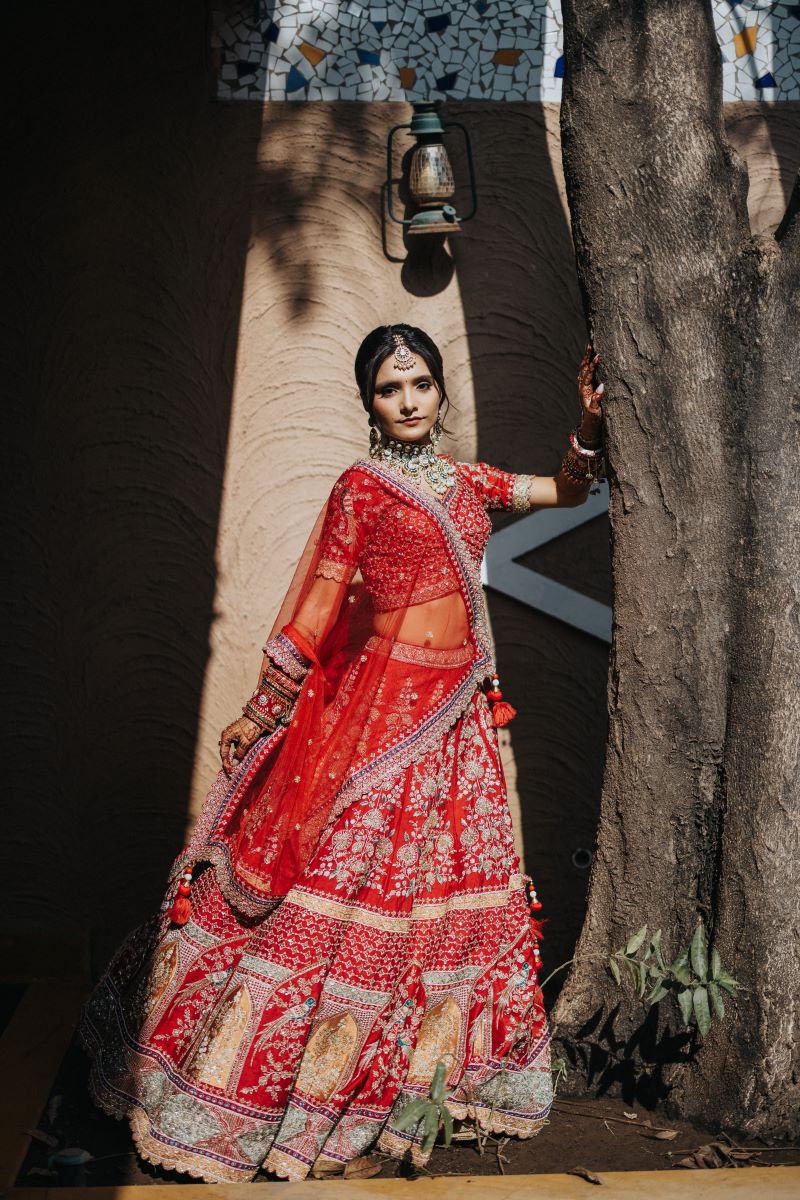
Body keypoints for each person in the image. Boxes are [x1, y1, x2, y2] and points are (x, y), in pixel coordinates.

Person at [81, 324, 605, 1183]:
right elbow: (318, 603)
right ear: (370, 401)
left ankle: (424, 1079)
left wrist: (589, 424)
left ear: (440, 393)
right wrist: (265, 708)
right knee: (349, 882)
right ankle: (273, 1078)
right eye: (391, 388)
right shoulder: (361, 490)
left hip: (456, 721)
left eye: (421, 384)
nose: (408, 401)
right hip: (380, 725)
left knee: (443, 891)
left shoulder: (469, 482)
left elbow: (569, 489)